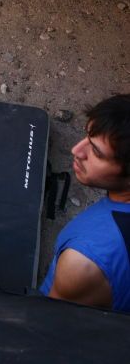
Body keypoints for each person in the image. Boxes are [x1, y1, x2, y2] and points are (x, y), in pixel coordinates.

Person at [40, 94, 130, 311]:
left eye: (97, 153)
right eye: (86, 137)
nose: (77, 151)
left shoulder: (83, 262)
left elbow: (45, 326)